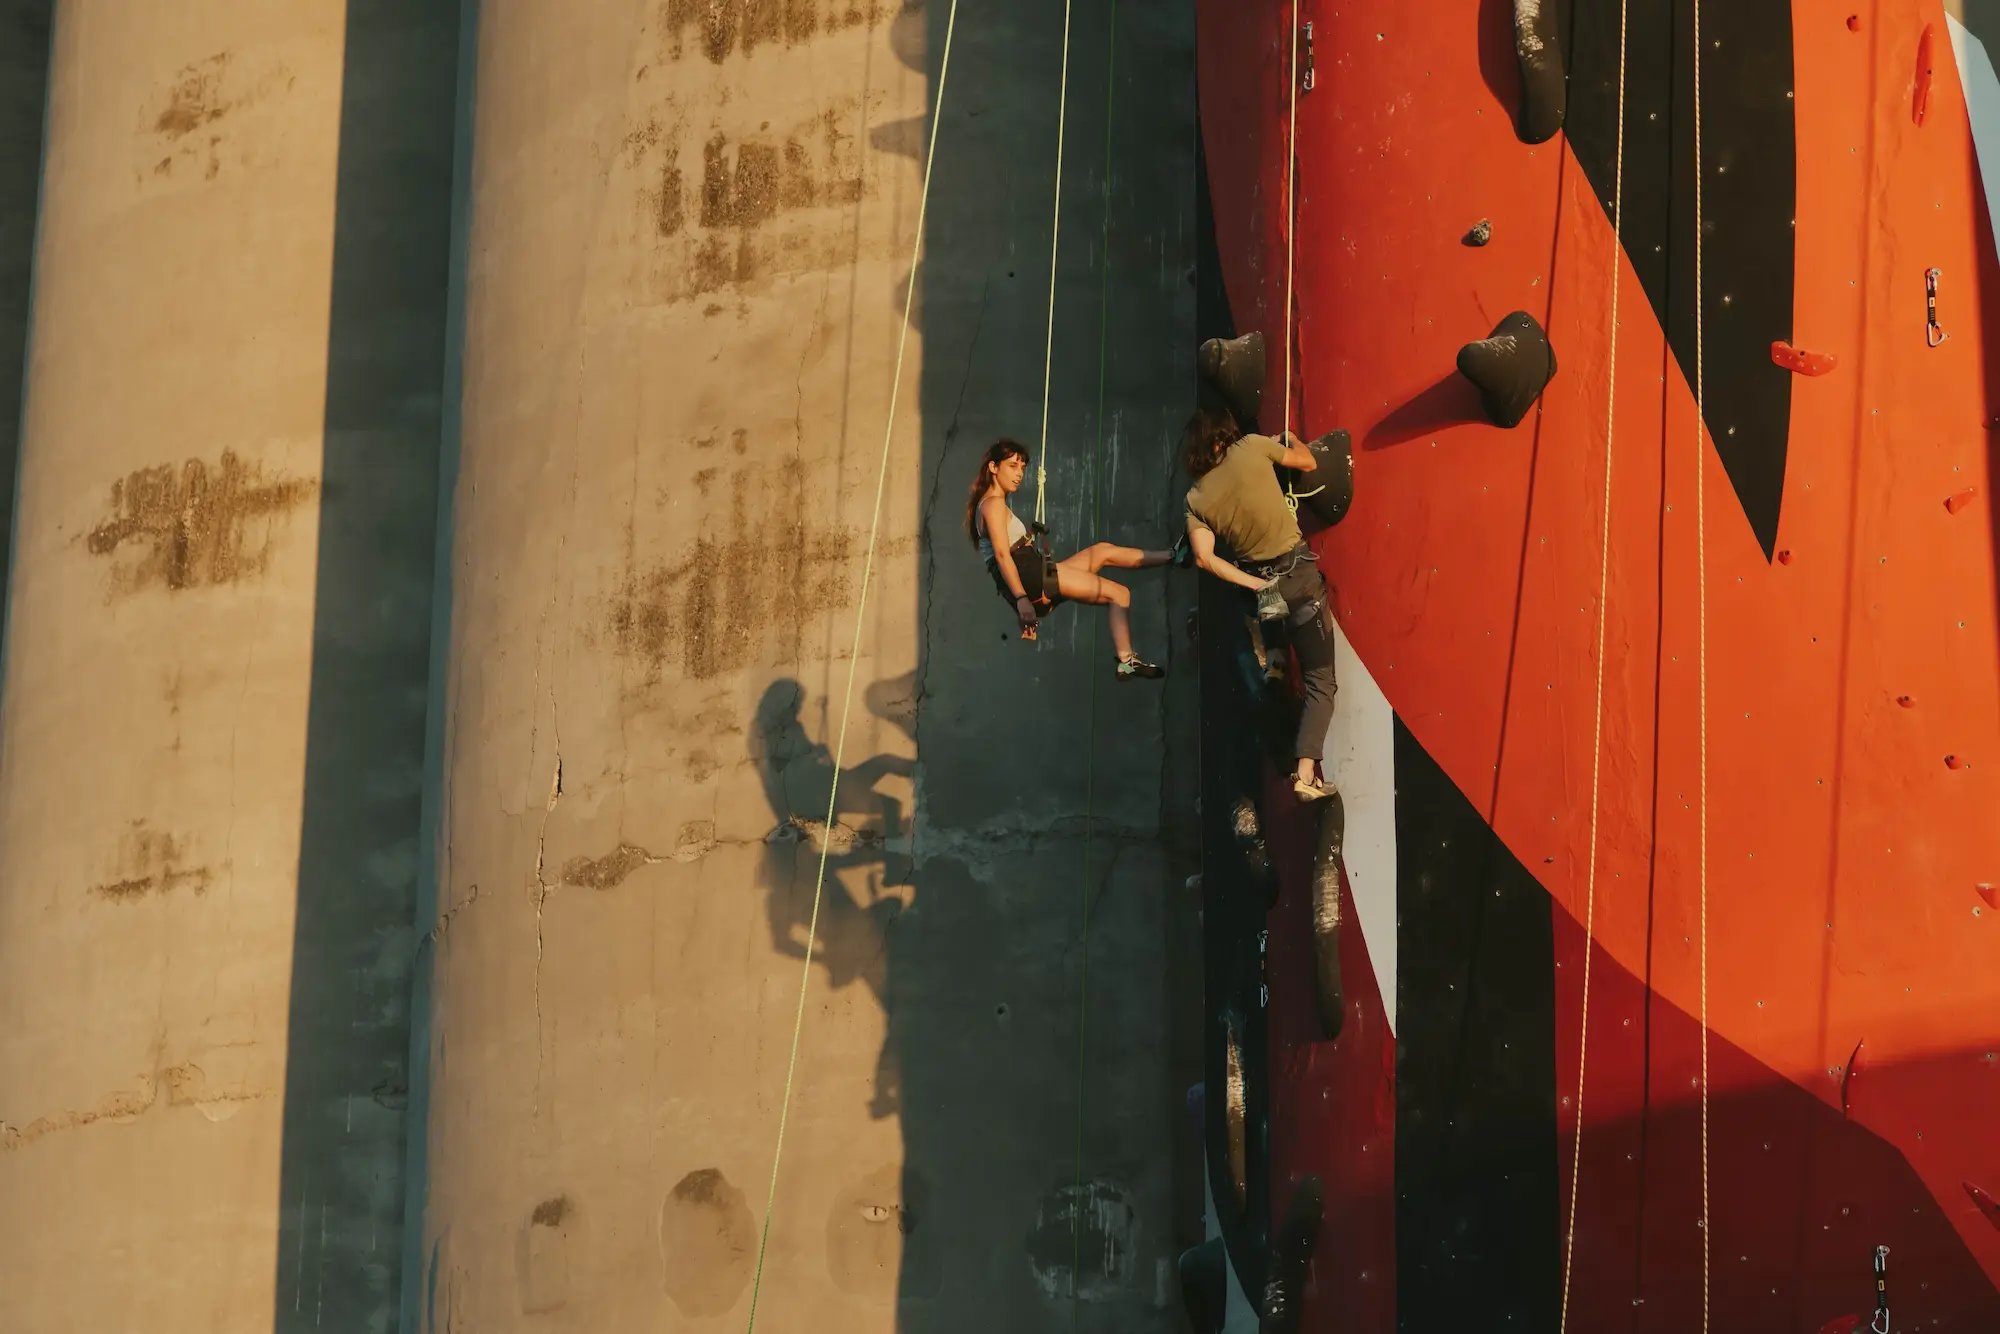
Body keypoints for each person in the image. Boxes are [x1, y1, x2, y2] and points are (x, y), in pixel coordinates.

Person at [1181, 407, 1336, 801]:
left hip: (1263, 591)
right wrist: (1289, 439)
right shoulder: (1251, 446)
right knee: (1321, 682)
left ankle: (1277, 662)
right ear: (1223, 436)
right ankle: (1306, 774)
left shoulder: (1195, 499)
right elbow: (1307, 461)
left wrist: (1253, 582)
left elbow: (1204, 558)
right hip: (1298, 577)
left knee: (1271, 622)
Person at [966, 438, 1171, 680]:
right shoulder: (993, 505)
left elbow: (1006, 551)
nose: (1019, 474)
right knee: (1119, 594)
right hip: (1033, 579)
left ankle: (1172, 555)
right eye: (1012, 466)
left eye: (1022, 467)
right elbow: (1002, 556)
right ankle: (1127, 661)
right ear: (993, 467)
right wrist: (1021, 600)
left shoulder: (991, 505)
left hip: (1035, 574)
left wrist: (1029, 539)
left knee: (1102, 551)